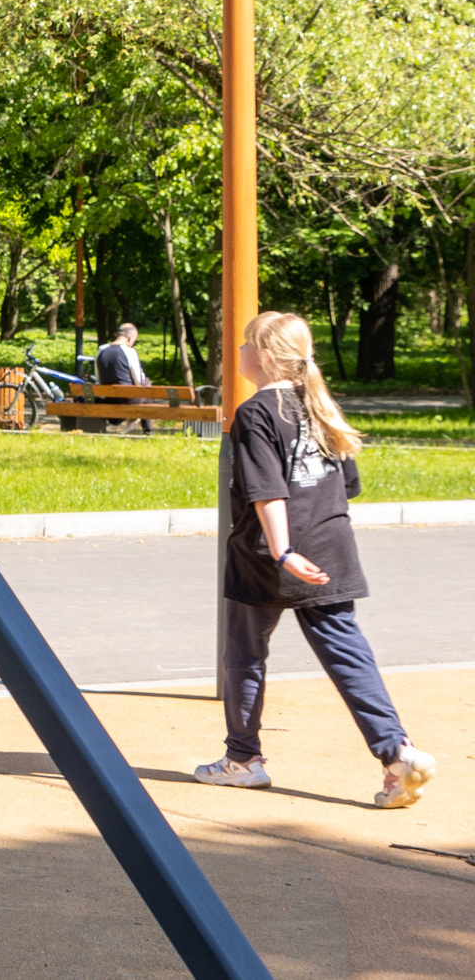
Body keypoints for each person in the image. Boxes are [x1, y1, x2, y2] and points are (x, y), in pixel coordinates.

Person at [194, 311, 437, 809]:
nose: (237, 352)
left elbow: (267, 492)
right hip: (332, 545)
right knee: (347, 652)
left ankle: (243, 760)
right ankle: (397, 752)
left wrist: (283, 552)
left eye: (244, 344)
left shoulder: (257, 412)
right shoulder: (318, 405)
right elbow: (347, 486)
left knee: (244, 655)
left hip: (268, 556)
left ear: (262, 355)